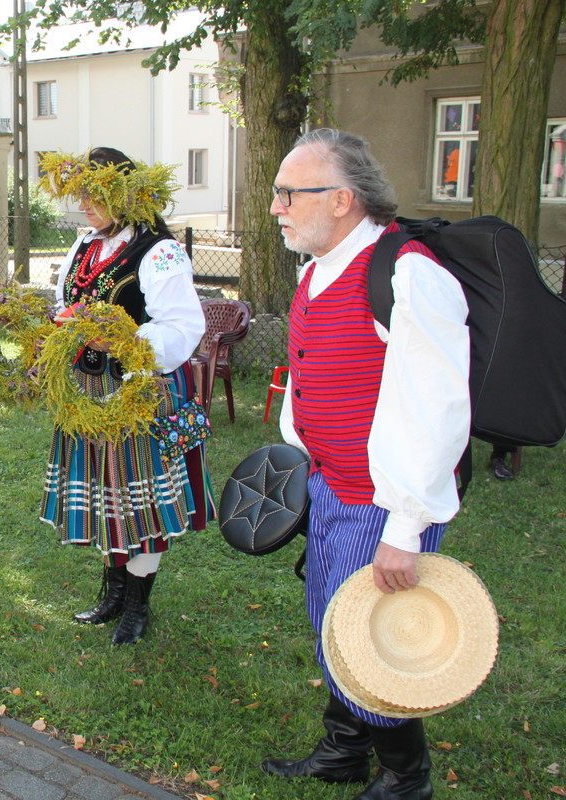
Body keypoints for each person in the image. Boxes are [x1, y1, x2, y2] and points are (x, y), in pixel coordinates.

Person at [264, 128, 470, 799]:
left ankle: (407, 778)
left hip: (381, 501)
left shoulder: (407, 274)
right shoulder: (315, 269)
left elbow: (437, 412)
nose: (277, 207)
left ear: (344, 199)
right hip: (328, 487)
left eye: (290, 193)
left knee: (371, 636)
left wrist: (405, 530)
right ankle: (345, 749)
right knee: (332, 616)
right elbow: (308, 375)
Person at [39, 147, 212, 645]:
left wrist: (121, 342)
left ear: (124, 194)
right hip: (91, 393)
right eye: (81, 196)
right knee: (107, 494)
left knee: (141, 499)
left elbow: (183, 326)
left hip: (140, 391)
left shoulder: (158, 251)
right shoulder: (85, 247)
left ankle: (137, 605)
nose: (84, 205)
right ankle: (113, 592)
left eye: (94, 196)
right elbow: (66, 304)